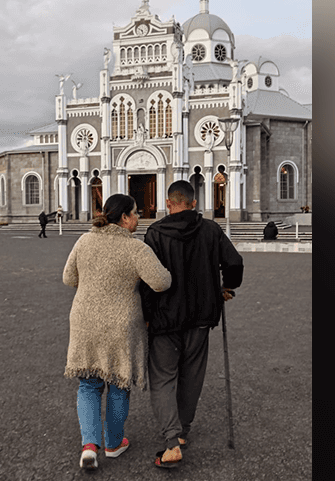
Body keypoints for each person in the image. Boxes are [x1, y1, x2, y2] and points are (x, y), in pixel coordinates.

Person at [63, 194, 172, 471]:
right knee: (118, 383)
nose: (138, 218)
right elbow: (161, 282)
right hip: (120, 325)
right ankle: (113, 443)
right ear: (124, 218)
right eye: (136, 212)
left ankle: (89, 446)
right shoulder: (135, 248)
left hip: (85, 321)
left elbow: (68, 278)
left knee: (88, 384)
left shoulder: (84, 240)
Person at [140, 180, 244, 468]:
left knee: (163, 377)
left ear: (168, 203)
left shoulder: (155, 233)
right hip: (200, 317)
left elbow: (147, 281)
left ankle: (171, 440)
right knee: (192, 375)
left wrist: (146, 315)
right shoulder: (211, 230)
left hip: (164, 319)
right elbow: (234, 263)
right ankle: (182, 431)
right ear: (194, 203)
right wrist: (227, 286)